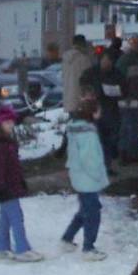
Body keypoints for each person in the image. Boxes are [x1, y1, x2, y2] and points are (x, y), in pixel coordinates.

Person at [0, 106, 44, 262]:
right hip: (4, 187)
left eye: (12, 122)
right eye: (7, 122)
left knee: (5, 216)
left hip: (10, 184)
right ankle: (22, 248)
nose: (11, 125)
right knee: (16, 216)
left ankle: (1, 246)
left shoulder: (6, 141)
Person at [61, 90, 109, 261]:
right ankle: (89, 247)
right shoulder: (88, 133)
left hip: (78, 176)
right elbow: (90, 159)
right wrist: (98, 175)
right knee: (93, 212)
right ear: (93, 112)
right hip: (88, 178)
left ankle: (67, 238)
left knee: (85, 209)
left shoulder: (75, 128)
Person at [80, 51, 124, 175]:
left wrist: (117, 92)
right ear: (101, 60)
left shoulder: (116, 73)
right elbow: (83, 84)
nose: (107, 64)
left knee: (109, 140)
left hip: (111, 110)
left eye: (110, 62)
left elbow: (124, 87)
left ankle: (106, 166)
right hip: (95, 109)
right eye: (106, 61)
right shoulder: (91, 73)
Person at [63, 35, 94, 113]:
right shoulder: (84, 59)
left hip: (68, 100)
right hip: (81, 101)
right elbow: (89, 79)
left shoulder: (65, 58)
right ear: (83, 44)